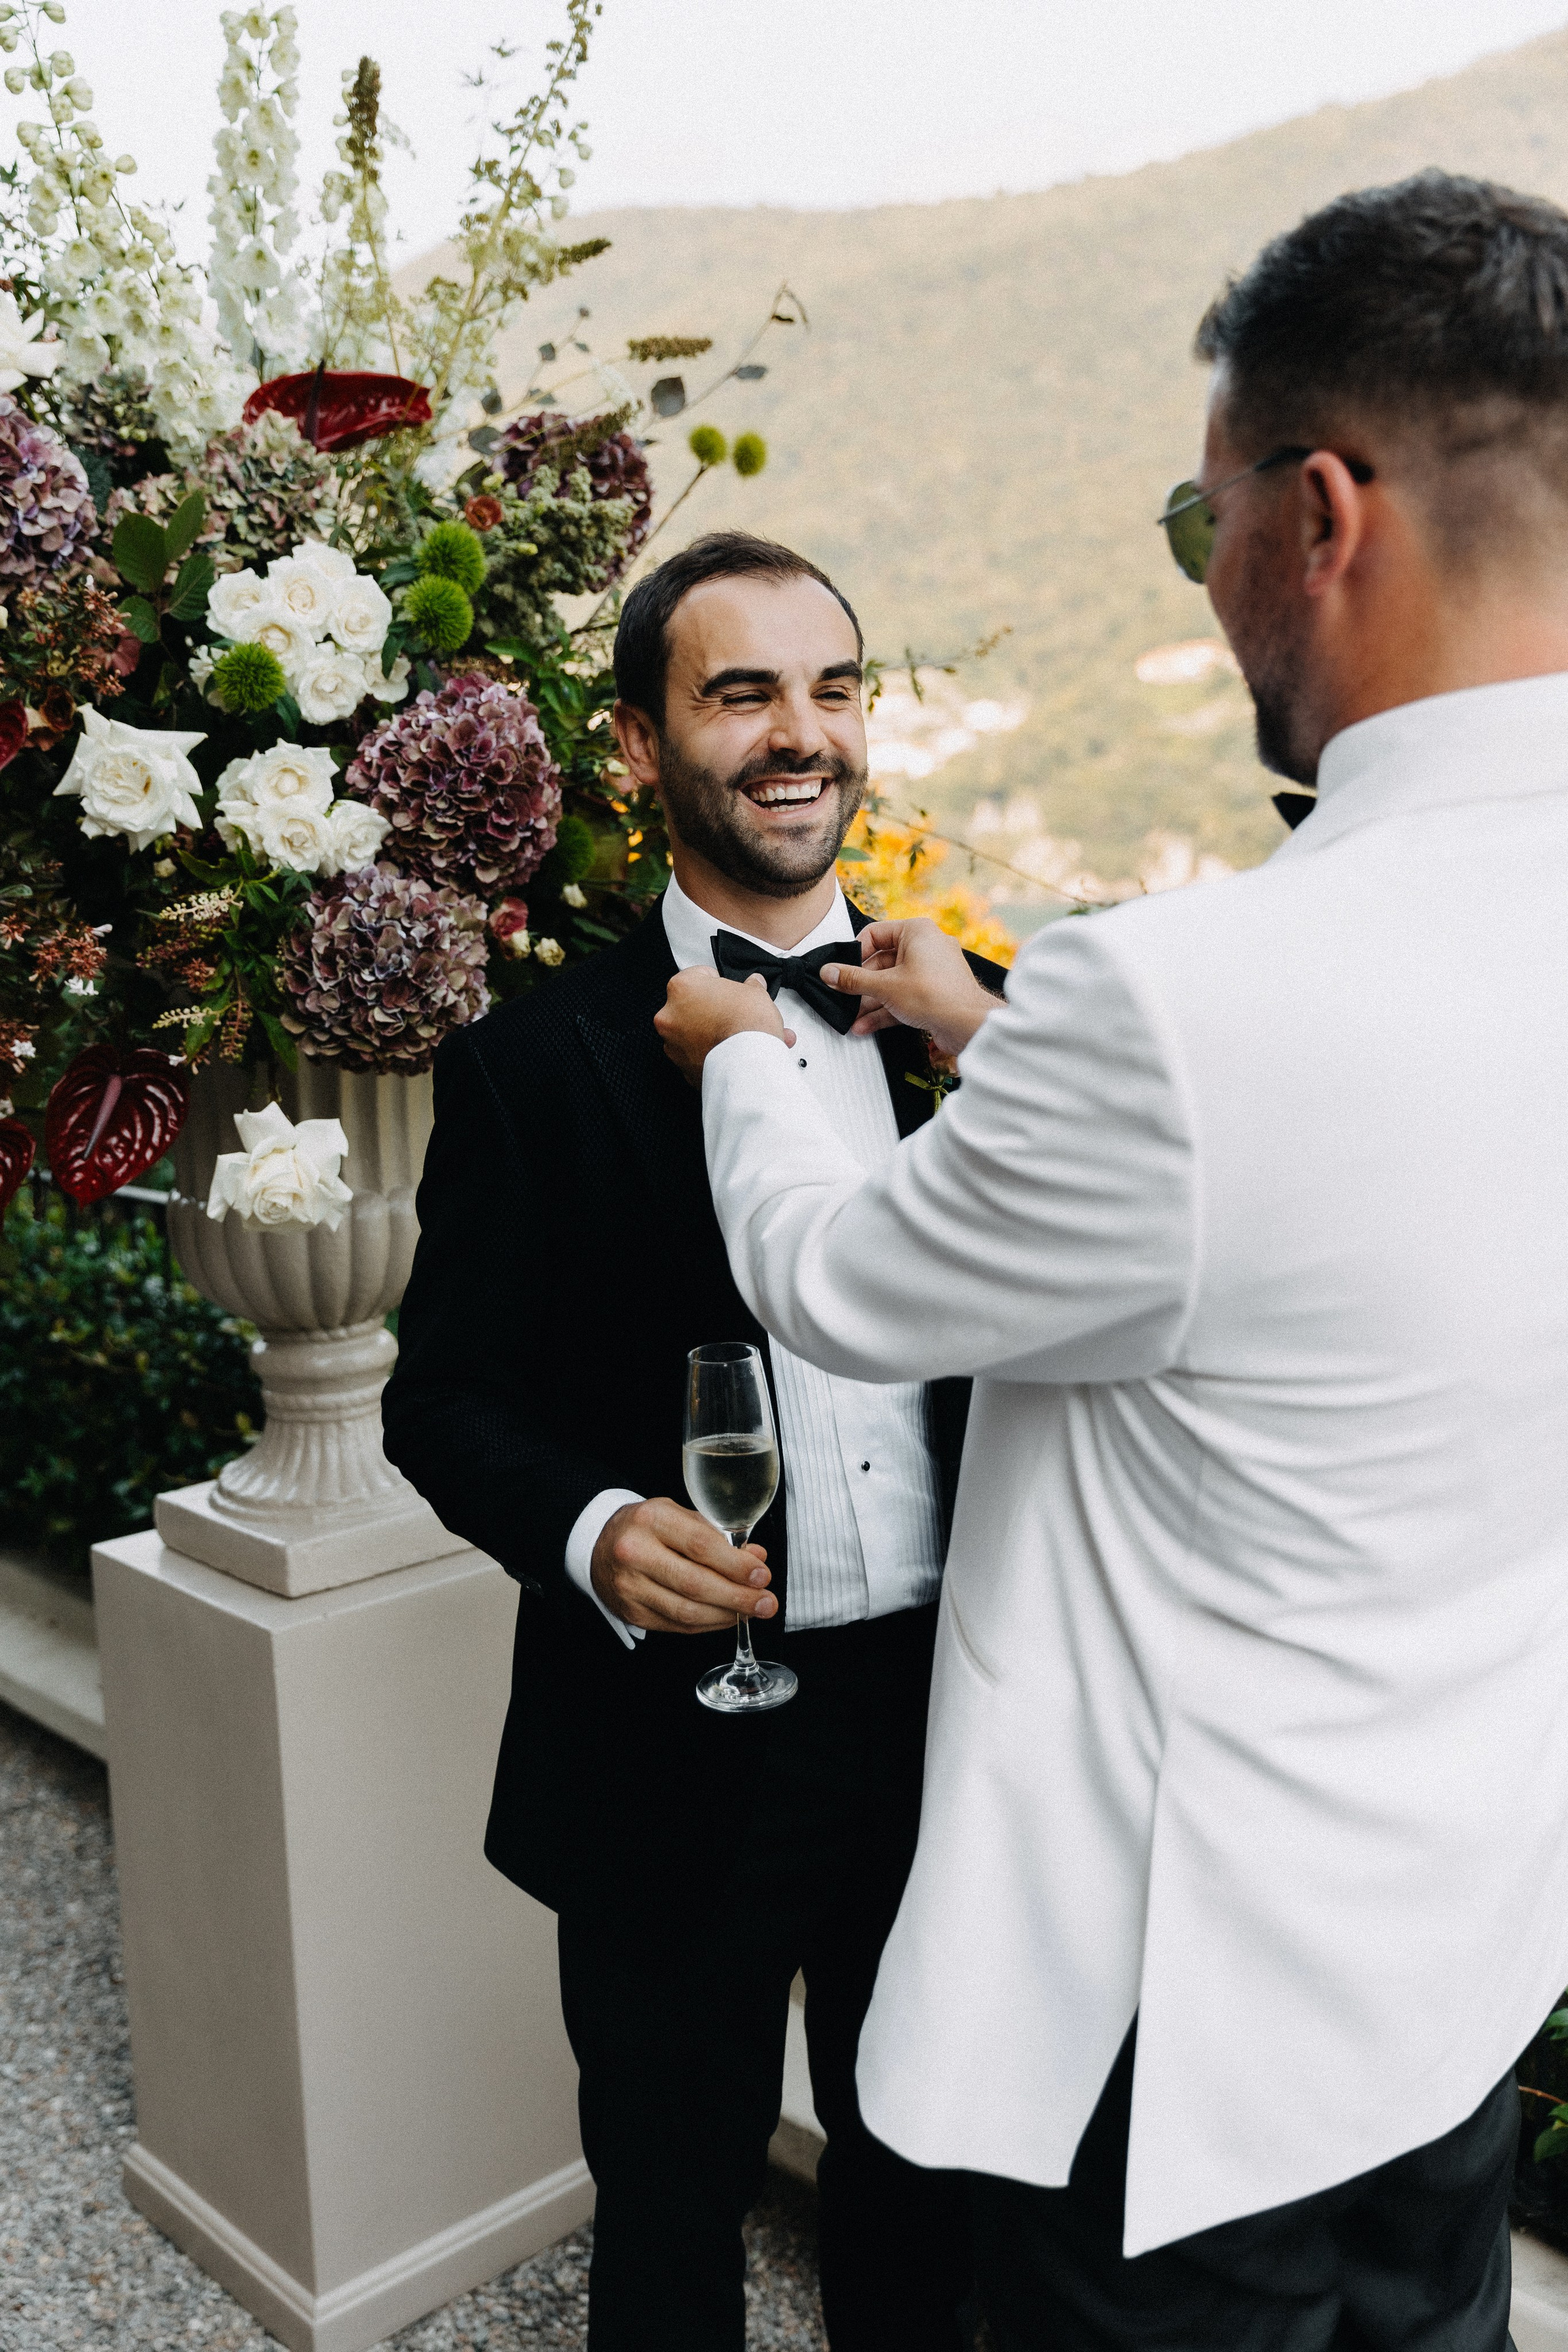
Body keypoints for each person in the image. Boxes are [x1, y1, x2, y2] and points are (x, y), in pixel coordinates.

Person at [654, 170, 1568, 2351]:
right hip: (1463, 1970)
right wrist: (1001, 1036)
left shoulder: (1172, 1001)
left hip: (1183, 2042)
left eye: (1198, 521)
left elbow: (841, 1283)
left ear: (1317, 515)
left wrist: (747, 1064)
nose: (1211, 582)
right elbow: (1349, 1195)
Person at [382, 531, 1000, 2351]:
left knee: (929, 2202)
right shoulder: (529, 1062)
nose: (800, 734)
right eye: (742, 694)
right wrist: (590, 1529)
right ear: (640, 746)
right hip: (668, 1745)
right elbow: (442, 1399)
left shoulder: (974, 1018)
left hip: (952, 1720)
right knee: (668, 2208)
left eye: (832, 688)